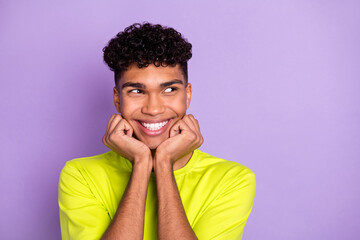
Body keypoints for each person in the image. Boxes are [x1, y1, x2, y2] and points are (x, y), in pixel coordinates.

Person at [58, 22, 256, 240]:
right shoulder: (80, 175)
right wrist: (142, 163)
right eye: (136, 91)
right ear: (117, 99)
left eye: (169, 90)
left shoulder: (232, 179)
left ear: (187, 95)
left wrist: (163, 163)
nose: (154, 109)